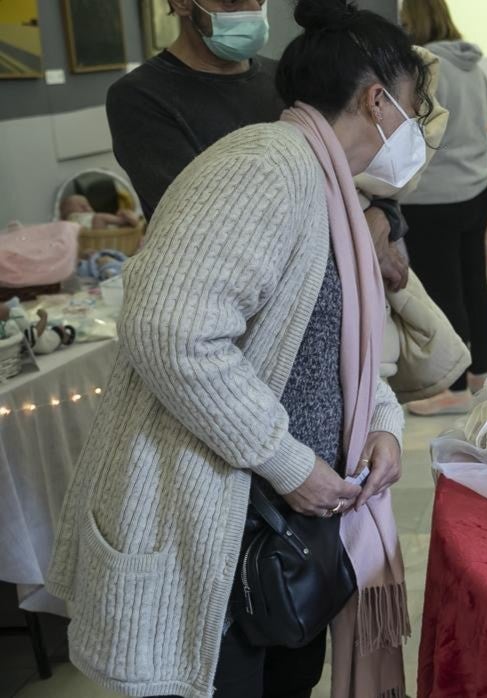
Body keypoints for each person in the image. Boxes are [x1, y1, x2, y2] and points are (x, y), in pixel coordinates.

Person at [47, 1, 425, 696]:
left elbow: (331, 338)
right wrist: (288, 462)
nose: (416, 131)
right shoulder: (262, 168)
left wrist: (381, 420)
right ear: (378, 102)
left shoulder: (329, 183)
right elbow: (171, 330)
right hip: (213, 525)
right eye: (415, 111)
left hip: (281, 532)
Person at [106, 0, 411, 293]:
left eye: (260, 1)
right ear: (183, 3)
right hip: (229, 295)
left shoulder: (285, 76)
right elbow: (215, 228)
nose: (252, 12)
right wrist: (356, 234)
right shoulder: (140, 97)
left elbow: (359, 167)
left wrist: (382, 216)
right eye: (231, 2)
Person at [400, 0, 487, 415]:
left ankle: (453, 388)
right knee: (475, 280)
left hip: (435, 194)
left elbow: (410, 127)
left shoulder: (422, 66)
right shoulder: (472, 66)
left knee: (444, 291)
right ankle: (480, 375)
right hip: (479, 185)